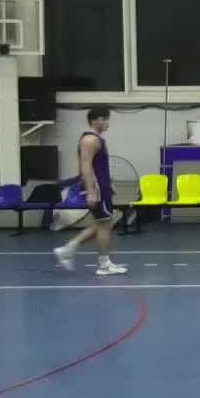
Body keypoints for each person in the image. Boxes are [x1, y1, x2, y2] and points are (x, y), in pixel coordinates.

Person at [54, 107, 128, 275]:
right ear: (94, 120)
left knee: (104, 223)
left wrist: (109, 181)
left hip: (102, 186)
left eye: (107, 119)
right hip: (97, 189)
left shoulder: (97, 139)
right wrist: (91, 191)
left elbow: (98, 166)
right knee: (105, 224)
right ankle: (104, 265)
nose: (107, 122)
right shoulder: (90, 140)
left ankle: (67, 249)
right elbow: (86, 166)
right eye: (103, 119)